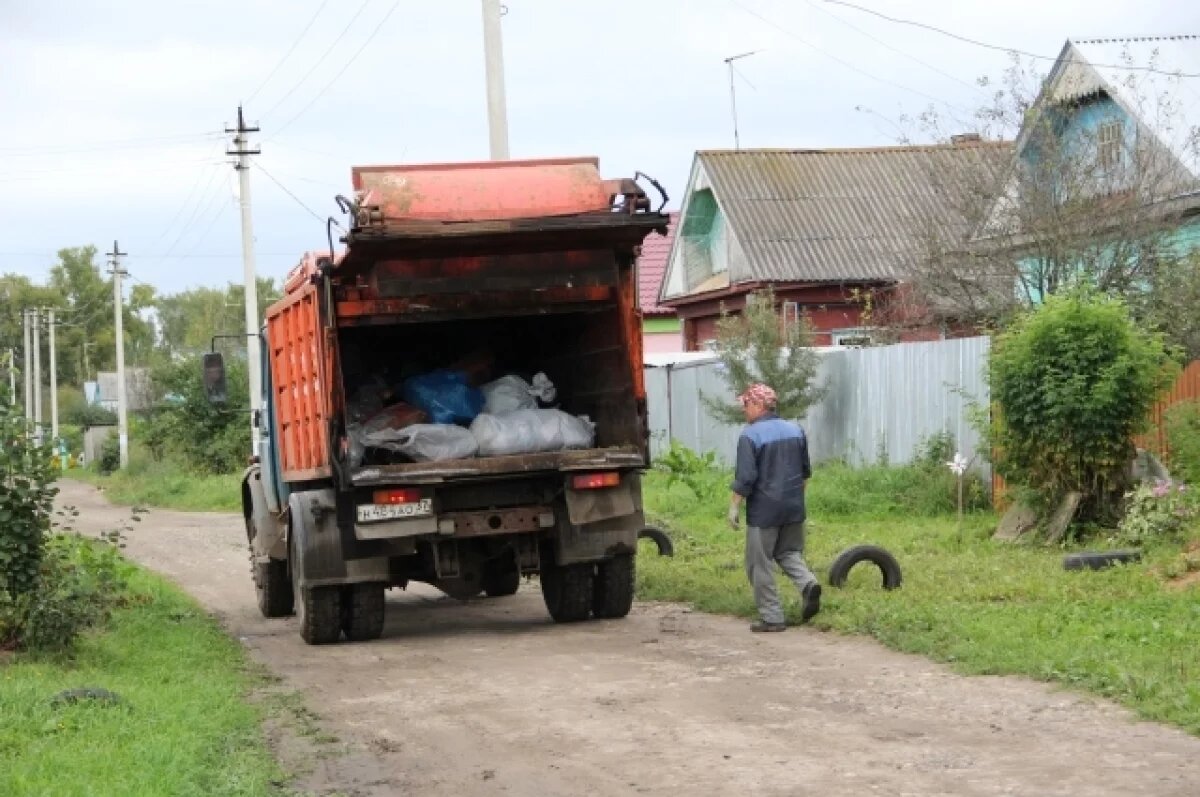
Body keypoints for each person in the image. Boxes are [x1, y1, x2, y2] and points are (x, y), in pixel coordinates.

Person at [727, 383, 820, 632]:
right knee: (788, 553)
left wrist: (734, 507)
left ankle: (772, 617)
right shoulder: (795, 430)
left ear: (758, 405)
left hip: (764, 511)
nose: (744, 410)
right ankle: (808, 584)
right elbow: (805, 474)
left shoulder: (751, 434)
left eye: (746, 405)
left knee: (760, 562)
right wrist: (794, 501)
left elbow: (746, 477)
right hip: (793, 506)